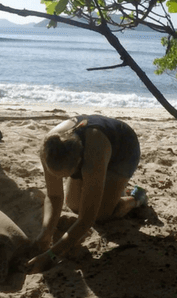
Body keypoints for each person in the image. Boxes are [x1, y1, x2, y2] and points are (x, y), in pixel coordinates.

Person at [26, 115, 148, 273]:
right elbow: (54, 196)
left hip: (123, 149)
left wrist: (51, 255)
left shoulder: (93, 159)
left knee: (102, 214)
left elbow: (87, 219)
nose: (61, 180)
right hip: (93, 152)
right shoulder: (49, 146)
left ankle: (136, 197)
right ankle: (111, 189)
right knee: (73, 204)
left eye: (65, 176)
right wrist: (45, 233)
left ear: (78, 163)